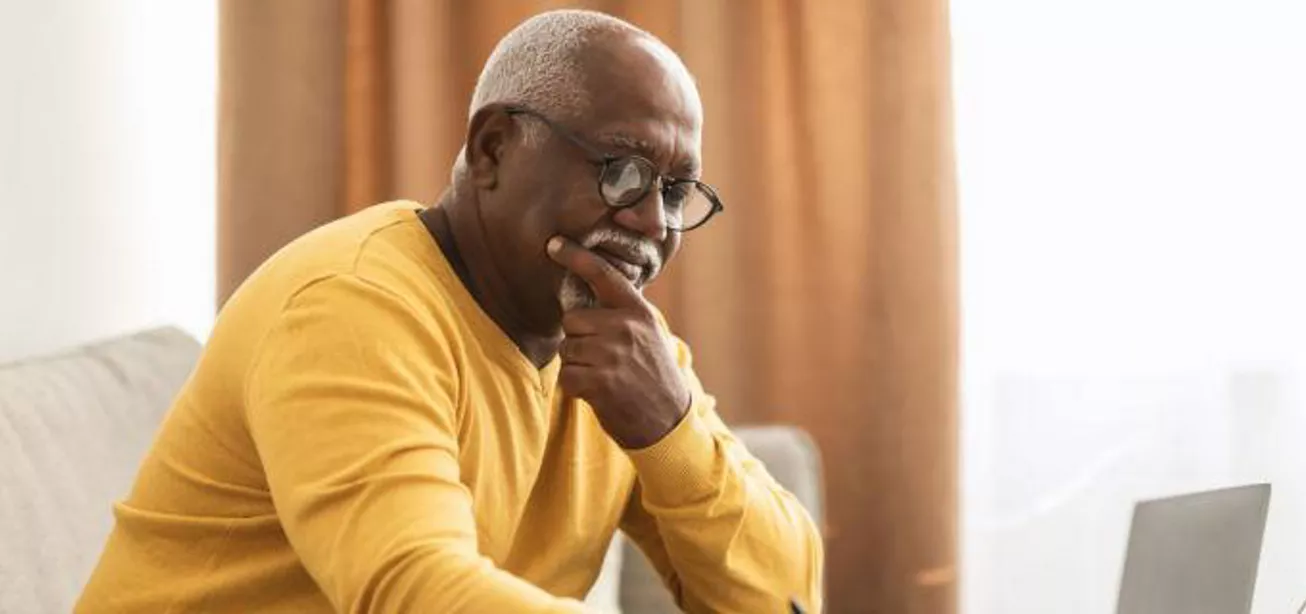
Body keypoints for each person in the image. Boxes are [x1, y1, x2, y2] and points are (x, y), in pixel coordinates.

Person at [77, 9, 822, 613]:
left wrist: (673, 428)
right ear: (494, 147)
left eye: (673, 191)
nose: (655, 225)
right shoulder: (353, 305)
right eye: (622, 170)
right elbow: (413, 590)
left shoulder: (624, 353)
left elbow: (782, 597)